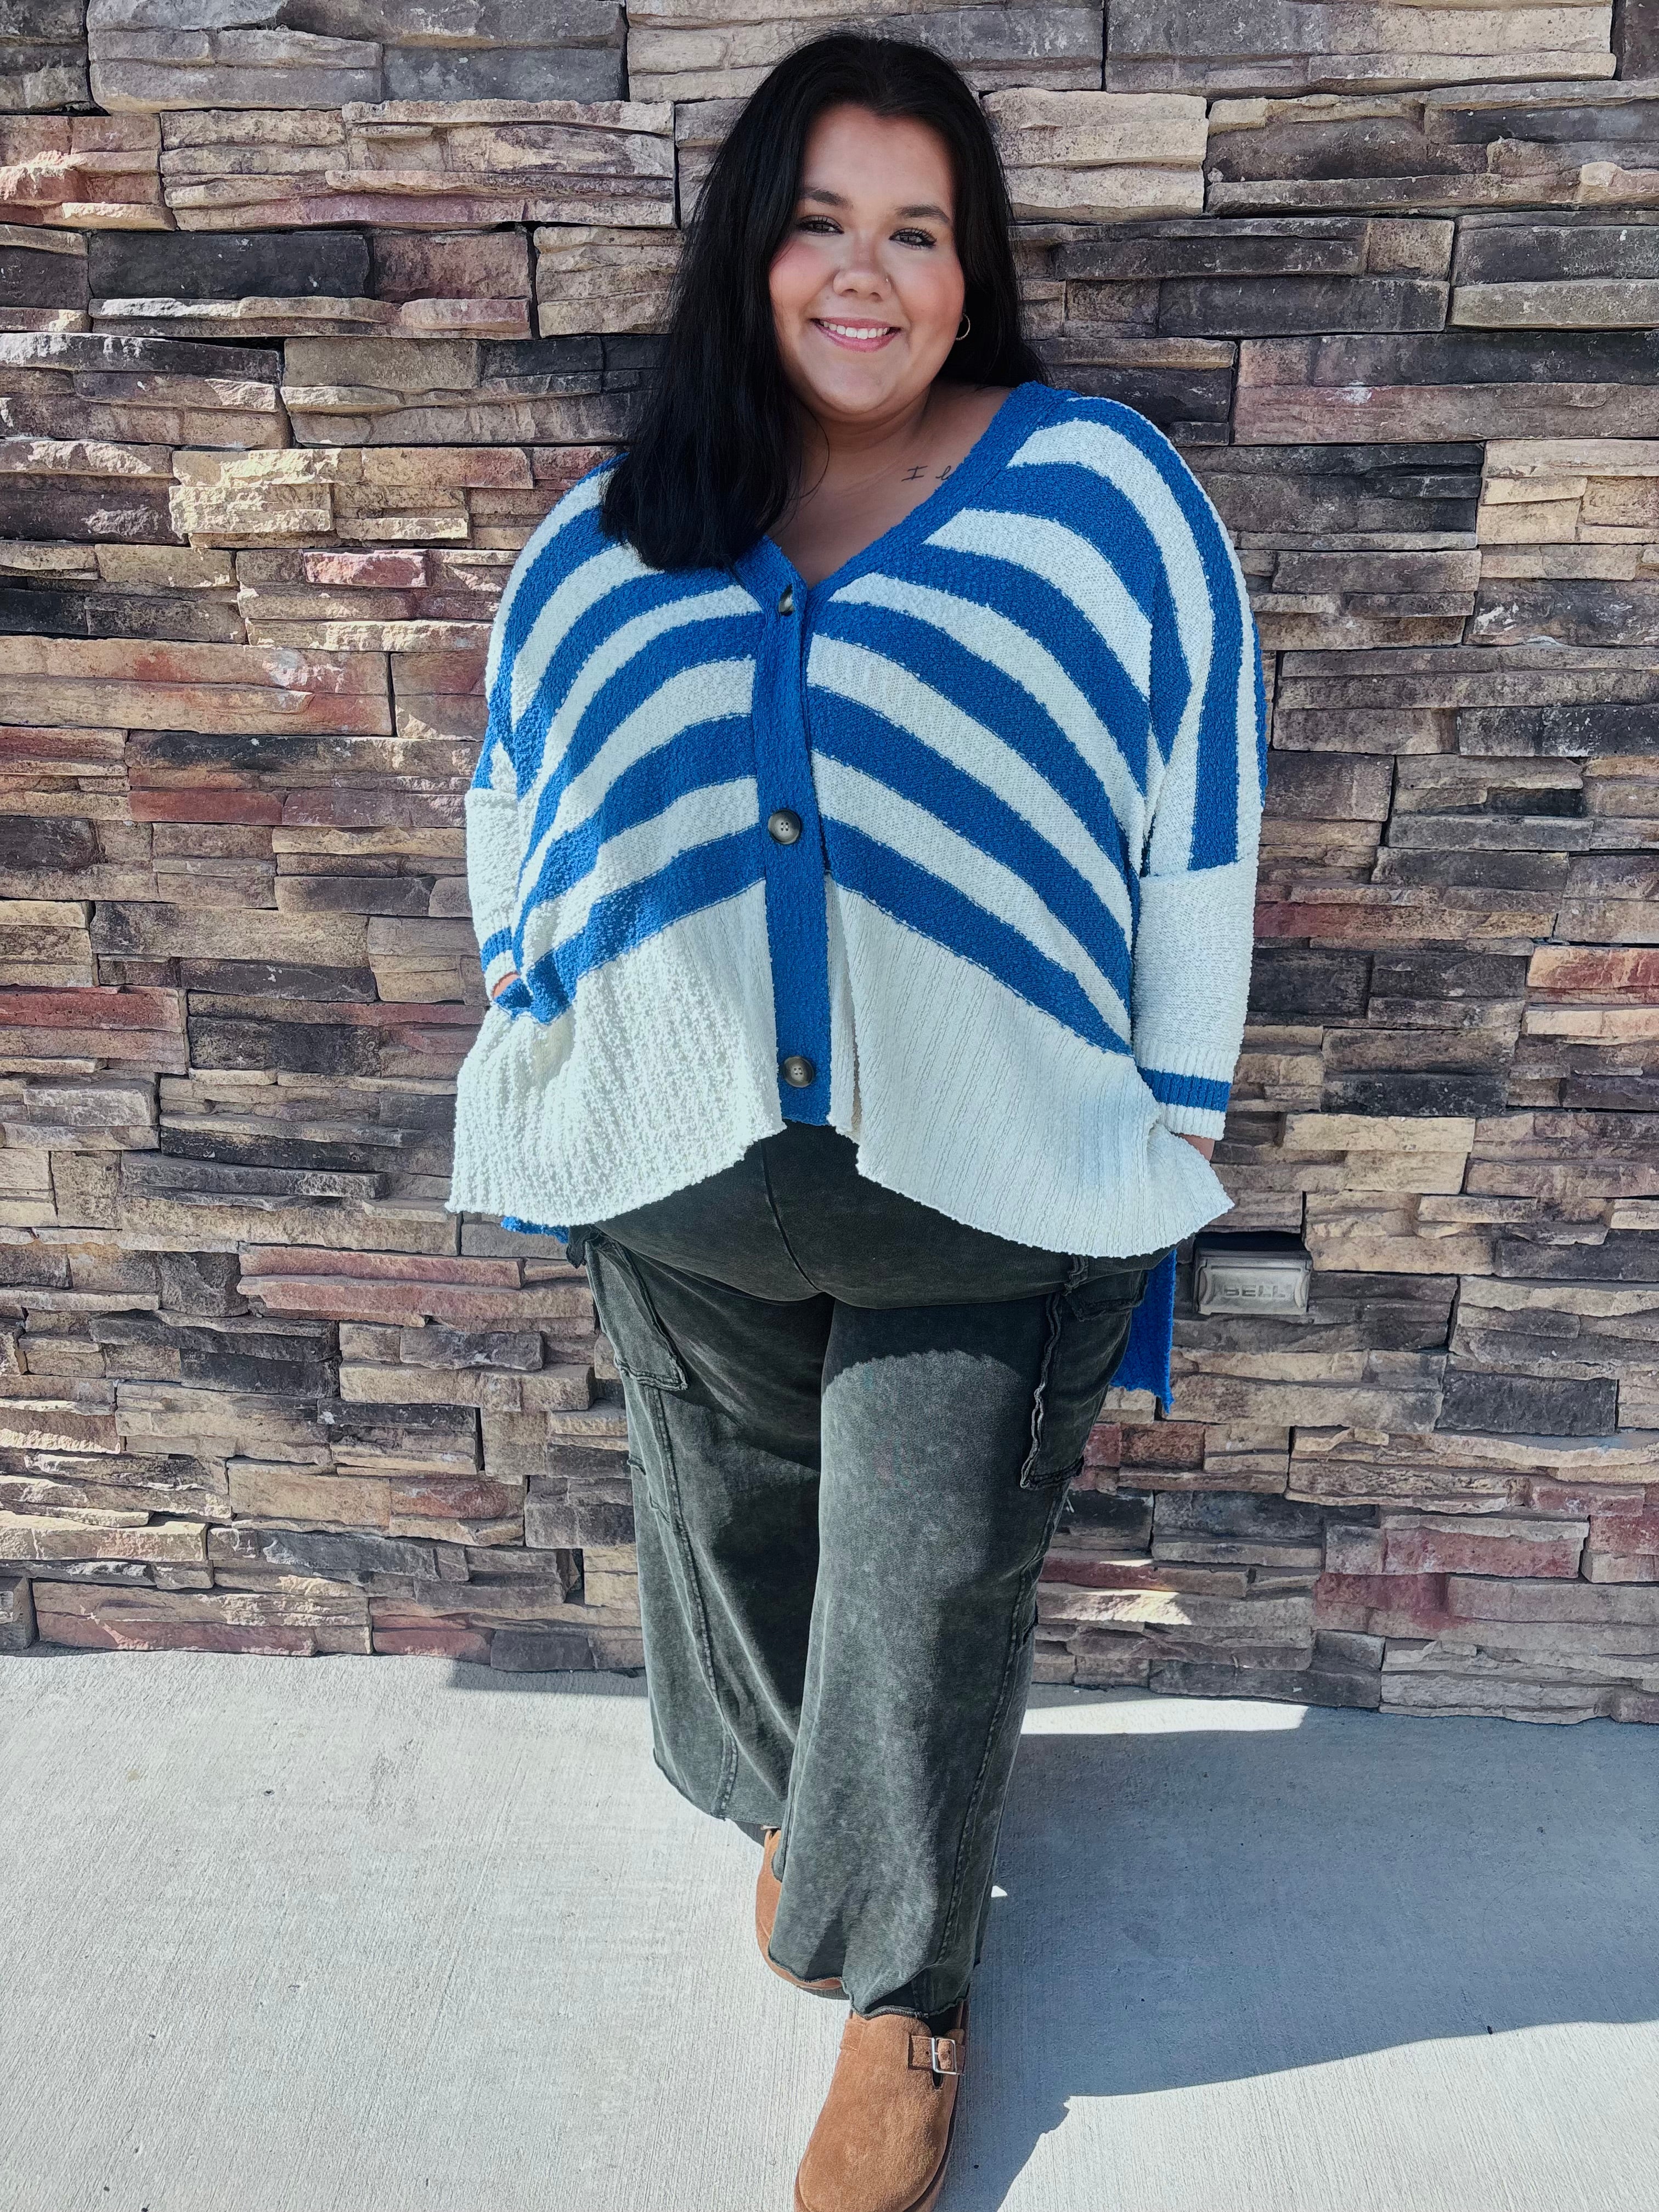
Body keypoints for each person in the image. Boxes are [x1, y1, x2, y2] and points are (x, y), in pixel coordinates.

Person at [450, 32, 1265, 2212]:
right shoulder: (622, 522)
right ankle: (809, 1827)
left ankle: (906, 1996)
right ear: (754, 251)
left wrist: (1170, 1134)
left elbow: (1196, 824)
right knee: (728, 1554)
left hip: (992, 1196)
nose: (864, 275)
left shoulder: (1101, 498)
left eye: (917, 230)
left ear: (972, 267)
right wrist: (541, 1008)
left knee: (915, 1596)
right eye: (820, 223)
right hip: (685, 1190)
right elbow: (512, 792)